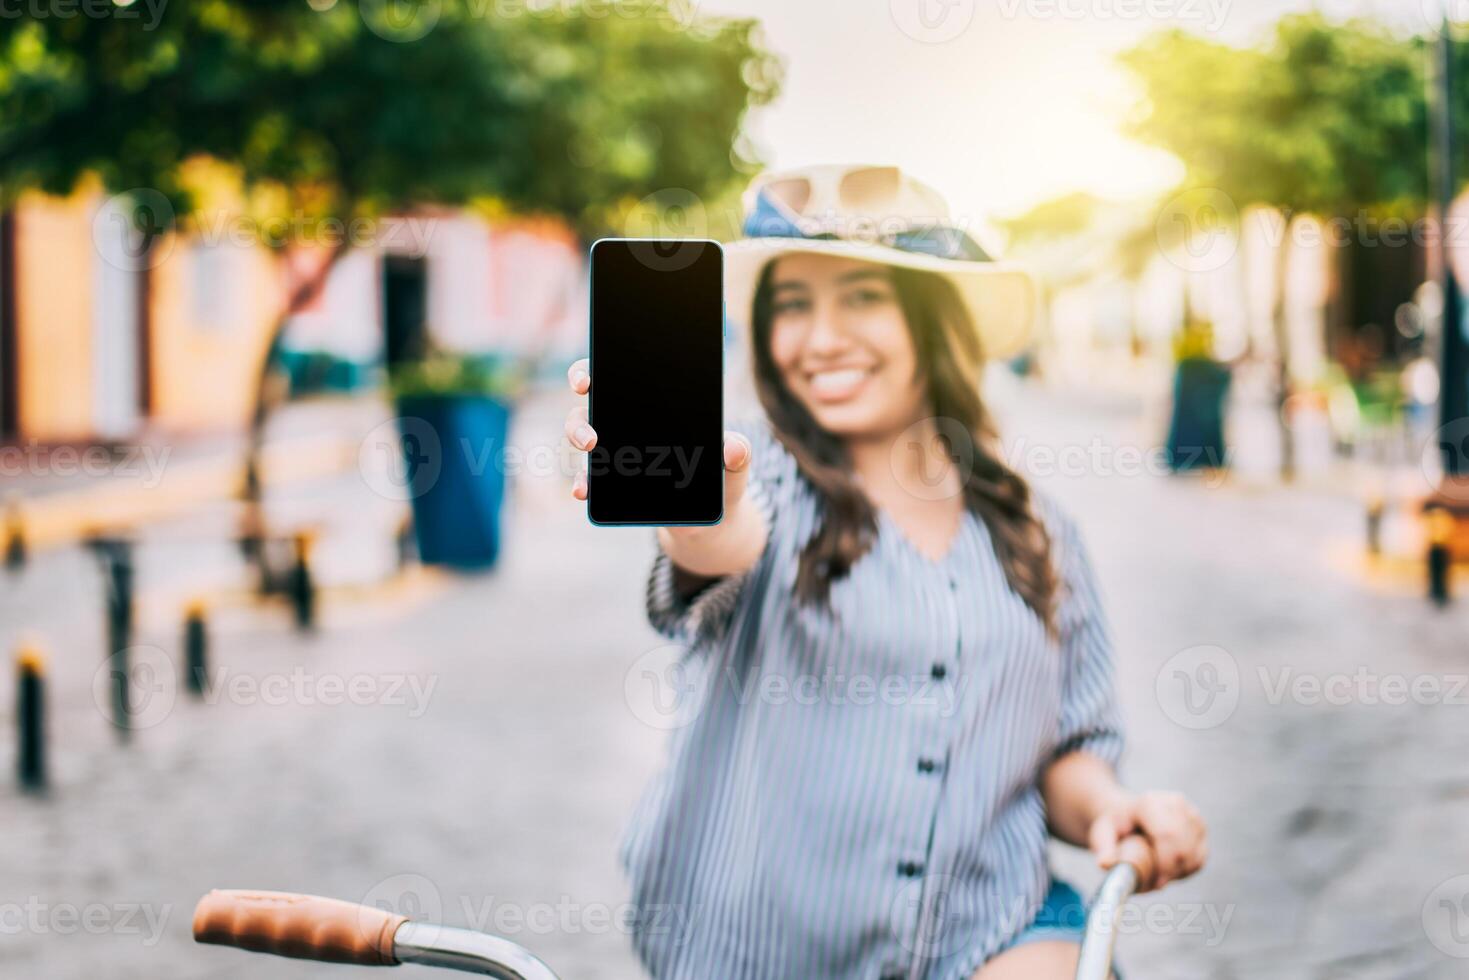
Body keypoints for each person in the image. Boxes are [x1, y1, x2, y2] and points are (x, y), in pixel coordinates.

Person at [564, 165, 1207, 979]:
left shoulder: (1038, 527)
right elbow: (711, 548)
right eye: (792, 305)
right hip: (753, 953)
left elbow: (1066, 751)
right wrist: (700, 512)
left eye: (862, 296)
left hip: (987, 930)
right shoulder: (753, 481)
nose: (823, 337)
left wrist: (1115, 811)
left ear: (931, 322)